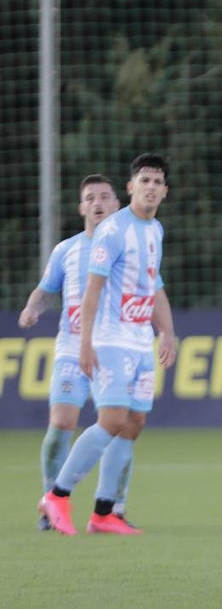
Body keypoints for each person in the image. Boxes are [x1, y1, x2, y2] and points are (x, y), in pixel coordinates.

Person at [38, 153, 177, 536]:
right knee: (112, 420)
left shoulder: (155, 231)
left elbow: (153, 287)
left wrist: (167, 332)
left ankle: (103, 514)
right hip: (109, 339)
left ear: (165, 192)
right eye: (143, 181)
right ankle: (57, 496)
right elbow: (92, 292)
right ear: (131, 188)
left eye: (157, 182)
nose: (150, 187)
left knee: (133, 425)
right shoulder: (113, 231)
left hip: (139, 341)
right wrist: (86, 344)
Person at [19, 174, 135, 531]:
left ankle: (112, 507)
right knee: (62, 423)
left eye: (105, 196)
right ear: (82, 207)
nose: (98, 202)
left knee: (121, 427)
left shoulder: (129, 246)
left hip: (115, 347)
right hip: (73, 346)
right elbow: (44, 288)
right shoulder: (66, 250)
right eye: (91, 197)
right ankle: (51, 502)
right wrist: (32, 308)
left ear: (116, 205)